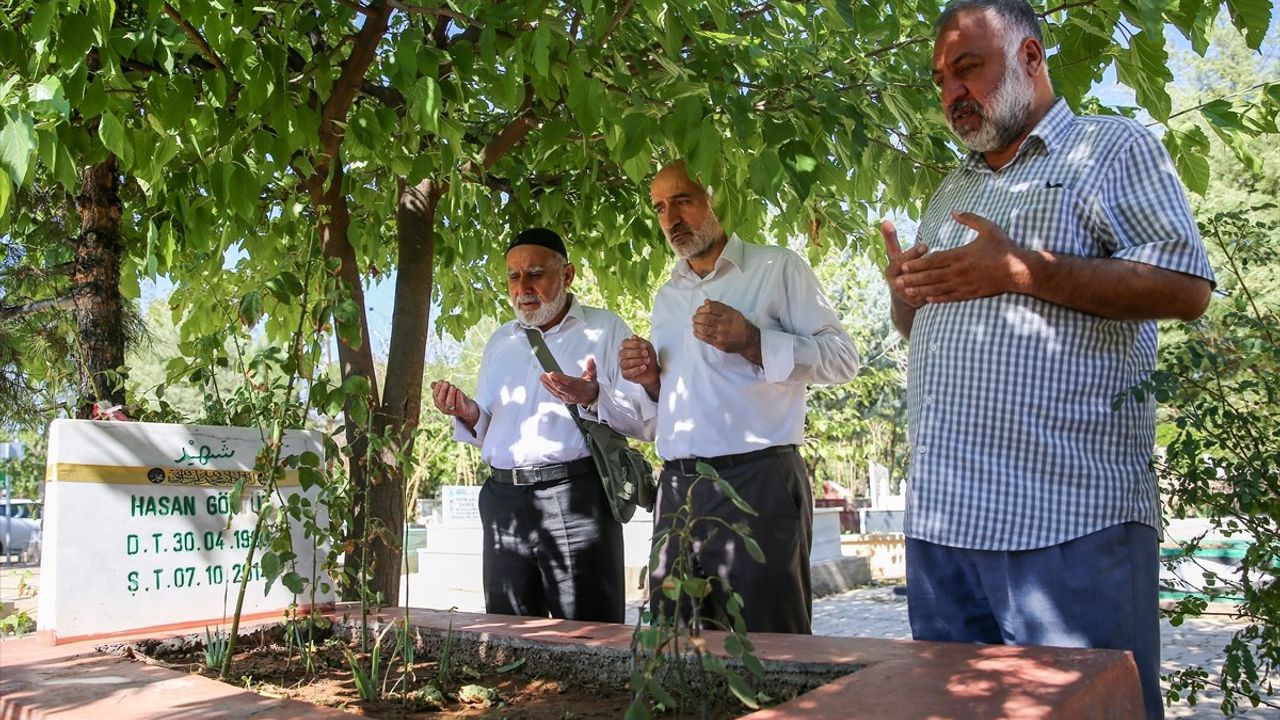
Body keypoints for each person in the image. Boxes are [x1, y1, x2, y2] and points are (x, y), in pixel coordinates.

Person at [881, 2, 1215, 717]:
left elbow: (1187, 287)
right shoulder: (950, 190)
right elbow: (923, 331)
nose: (950, 94)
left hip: (1067, 522)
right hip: (943, 528)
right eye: (940, 79)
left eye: (967, 67)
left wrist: (1026, 270)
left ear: (1030, 58)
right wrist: (905, 295)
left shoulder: (1113, 148)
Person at [620, 161, 859, 634]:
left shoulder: (777, 269)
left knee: (773, 647)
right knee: (676, 646)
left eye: (683, 200)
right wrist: (650, 380)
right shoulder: (667, 296)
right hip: (677, 489)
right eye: (660, 208)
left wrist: (754, 340)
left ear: (716, 197)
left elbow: (843, 360)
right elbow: (678, 400)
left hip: (759, 482)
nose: (671, 218)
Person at [430, 228, 655, 623]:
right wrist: (467, 412)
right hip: (504, 503)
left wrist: (592, 395)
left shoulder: (606, 330)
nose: (524, 287)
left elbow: (645, 422)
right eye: (514, 277)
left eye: (535, 273)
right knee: (508, 634)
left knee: (590, 639)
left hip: (577, 499)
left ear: (567, 275)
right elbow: (490, 430)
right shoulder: (500, 342)